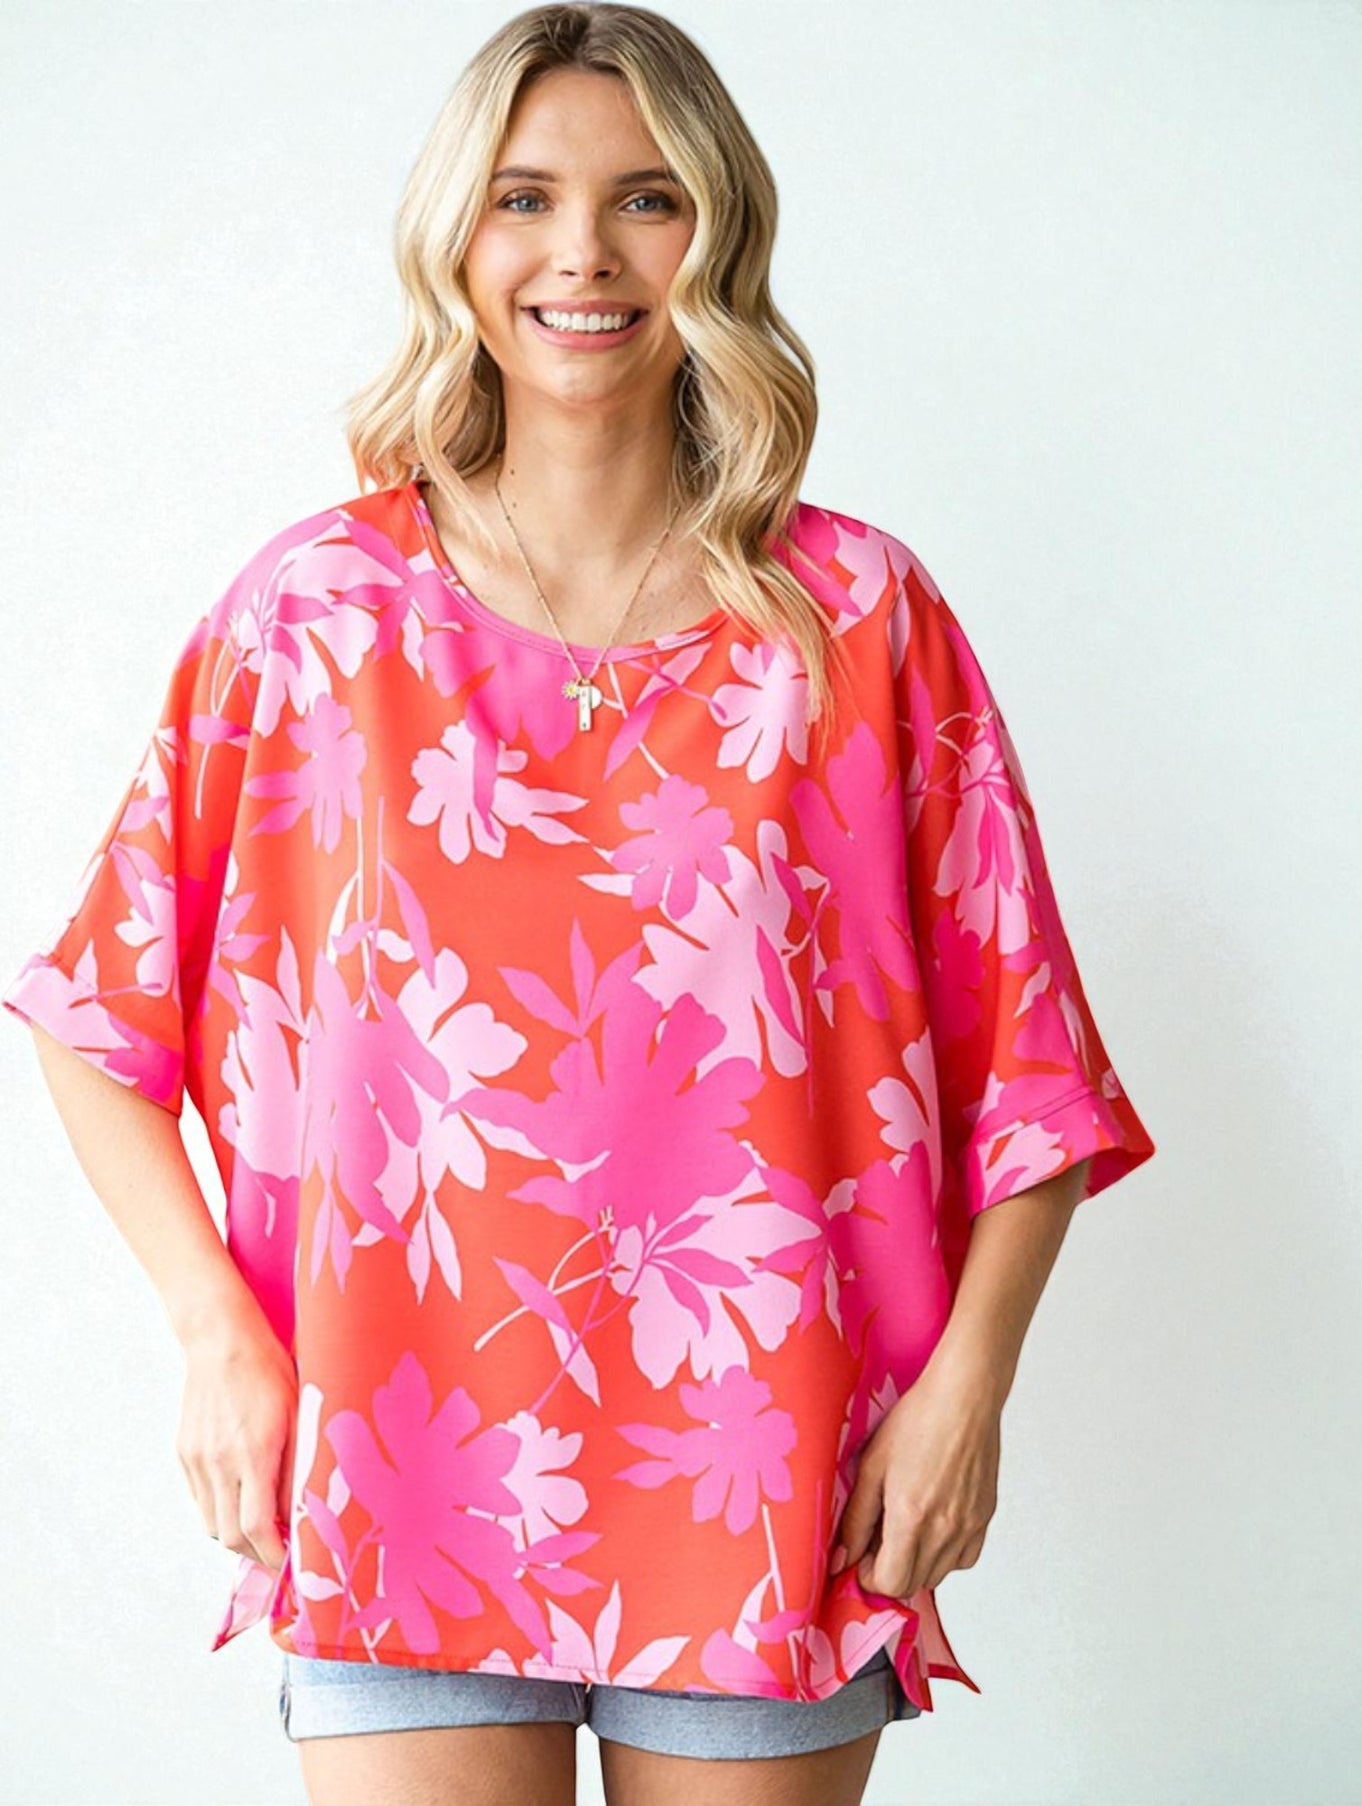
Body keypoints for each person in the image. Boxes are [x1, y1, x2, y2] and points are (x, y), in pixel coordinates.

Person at [3, 4, 1156, 1802]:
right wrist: (217, 1338)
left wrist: (966, 1392)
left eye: (645, 199)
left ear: (718, 233)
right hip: (397, 1459)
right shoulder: (316, 619)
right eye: (525, 197)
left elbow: (1035, 1074)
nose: (581, 254)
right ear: (457, 237)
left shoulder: (856, 622)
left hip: (766, 1468)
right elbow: (97, 1014)